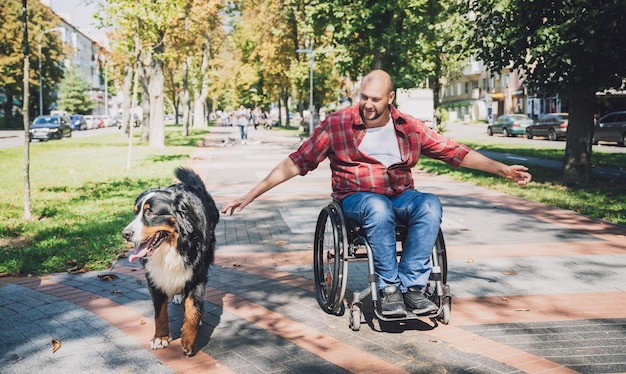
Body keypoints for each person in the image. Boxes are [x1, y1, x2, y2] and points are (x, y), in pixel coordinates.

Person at [221, 70, 531, 317]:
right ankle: (389, 289)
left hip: (401, 196)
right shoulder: (338, 123)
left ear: (390, 98)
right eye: (364, 97)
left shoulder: (409, 126)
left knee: (430, 204)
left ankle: (412, 287)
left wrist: (503, 170)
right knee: (377, 206)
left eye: (375, 99)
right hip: (357, 200)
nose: (368, 104)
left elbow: (455, 152)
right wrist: (252, 194)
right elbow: (298, 161)